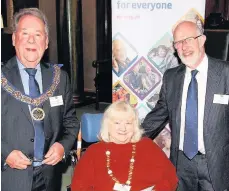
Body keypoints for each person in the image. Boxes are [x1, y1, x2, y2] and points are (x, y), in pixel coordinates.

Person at [142, 20, 229, 191]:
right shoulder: (171, 77)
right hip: (181, 164)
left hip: (215, 163)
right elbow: (159, 114)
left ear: (202, 40)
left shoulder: (225, 73)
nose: (183, 46)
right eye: (178, 42)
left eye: (188, 39)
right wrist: (131, 136)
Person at [1, 8, 79, 191]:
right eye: (25, 33)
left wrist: (63, 146)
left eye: (38, 34)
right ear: (14, 39)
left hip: (49, 176)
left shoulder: (60, 78)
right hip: (9, 176)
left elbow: (71, 121)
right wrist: (3, 153)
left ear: (46, 43)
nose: (31, 40)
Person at [71, 101, 178, 191]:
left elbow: (170, 177)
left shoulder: (148, 145)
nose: (123, 128)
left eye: (128, 123)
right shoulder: (94, 152)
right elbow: (79, 187)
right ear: (107, 125)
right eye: (117, 123)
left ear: (135, 126)